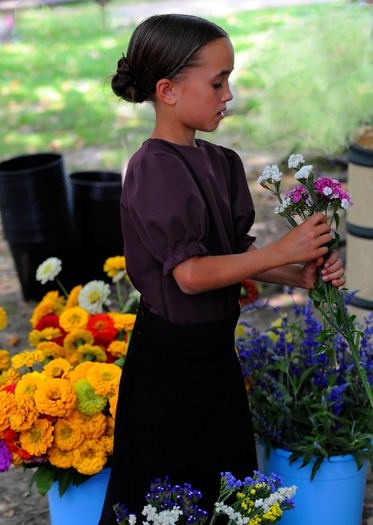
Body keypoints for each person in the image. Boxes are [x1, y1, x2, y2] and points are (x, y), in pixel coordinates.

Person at [98, 13, 345, 524]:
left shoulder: (223, 163)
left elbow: (229, 257)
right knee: (167, 499)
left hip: (216, 361)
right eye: (217, 82)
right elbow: (190, 274)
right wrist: (281, 250)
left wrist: (296, 272)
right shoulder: (153, 169)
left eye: (229, 79)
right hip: (167, 369)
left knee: (224, 491)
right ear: (167, 90)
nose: (228, 95)